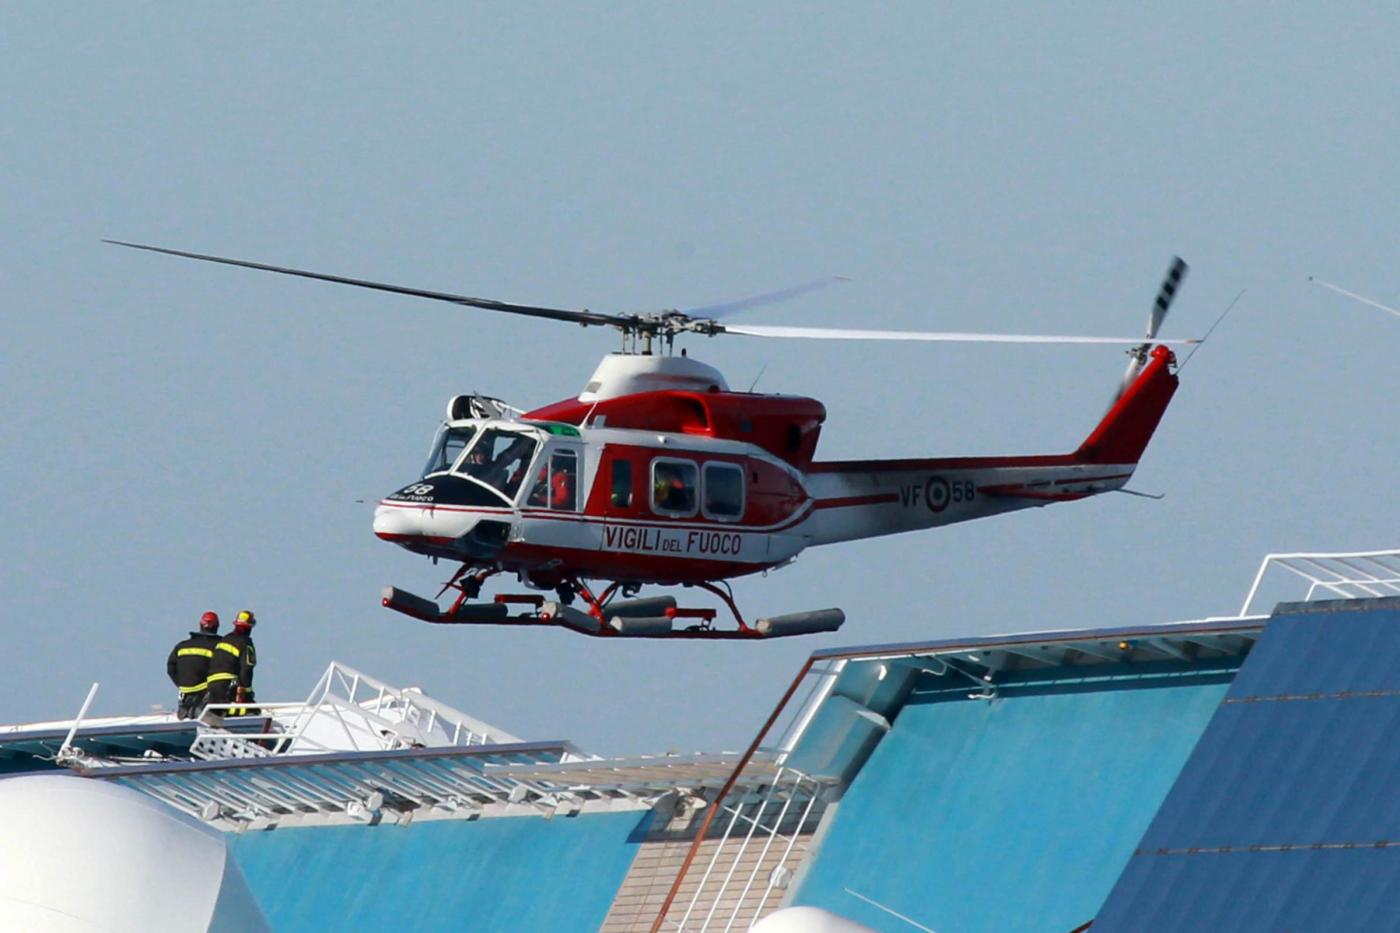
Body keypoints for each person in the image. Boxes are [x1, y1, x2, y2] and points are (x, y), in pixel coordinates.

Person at [166, 611, 220, 720]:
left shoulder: (181, 646)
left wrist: (182, 685)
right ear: (217, 626)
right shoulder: (219, 646)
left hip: (185, 695)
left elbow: (171, 669)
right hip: (206, 695)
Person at [207, 610, 257, 717]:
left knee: (219, 713)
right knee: (251, 710)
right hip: (229, 686)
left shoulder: (224, 639)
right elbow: (246, 670)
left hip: (212, 686)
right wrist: (248, 692)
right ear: (250, 627)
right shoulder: (246, 643)